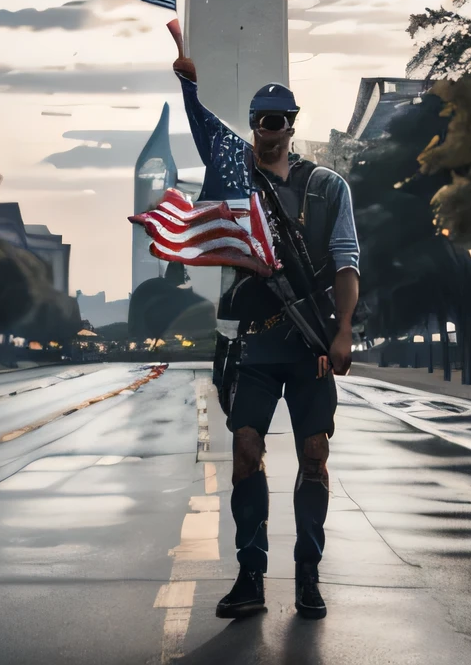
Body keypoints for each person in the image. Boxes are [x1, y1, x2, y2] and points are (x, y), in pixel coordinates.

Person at [173, 52, 360, 623]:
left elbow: (347, 261)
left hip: (310, 345)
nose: (270, 128)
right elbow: (204, 131)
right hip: (252, 342)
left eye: (279, 119)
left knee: (314, 456)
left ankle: (308, 575)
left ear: (292, 124)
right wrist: (187, 82)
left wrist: (344, 332)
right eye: (261, 119)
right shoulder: (235, 177)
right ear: (253, 123)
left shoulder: (327, 189)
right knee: (246, 454)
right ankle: (250, 576)